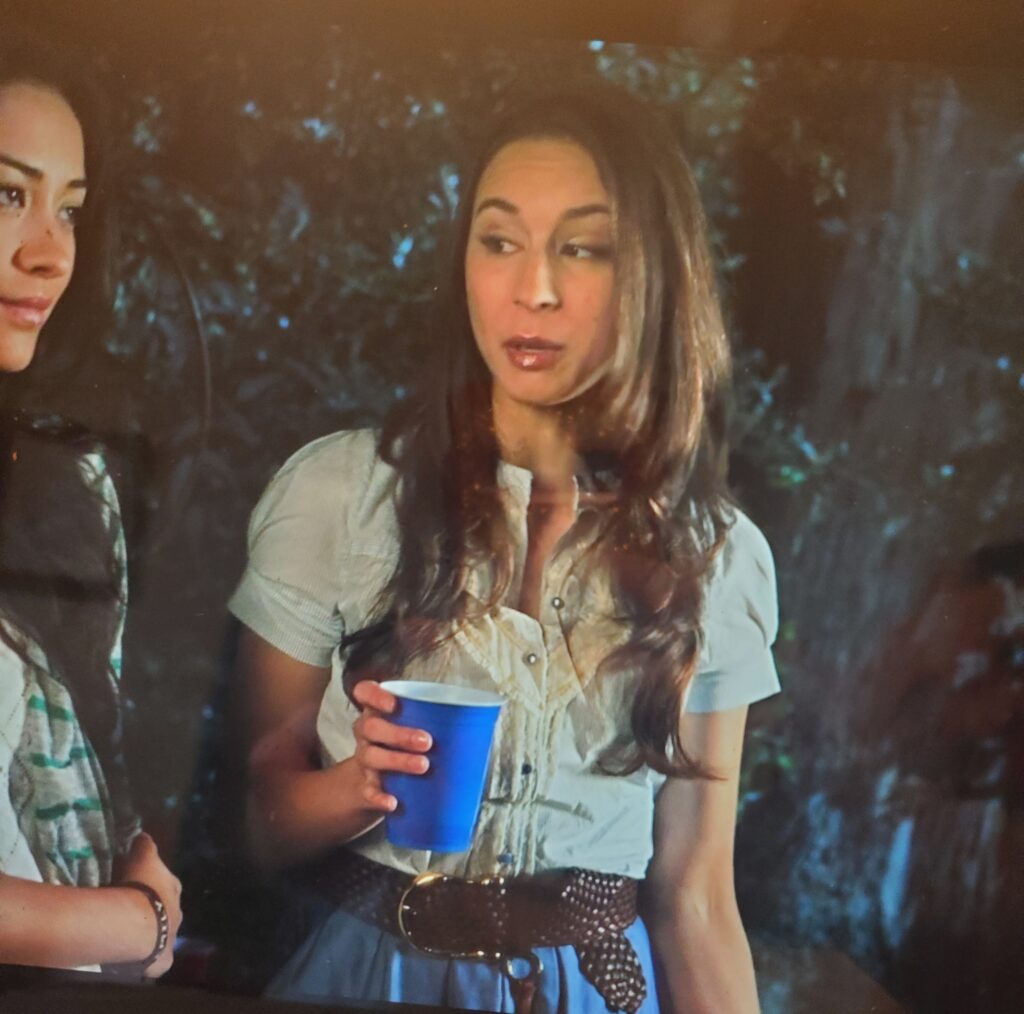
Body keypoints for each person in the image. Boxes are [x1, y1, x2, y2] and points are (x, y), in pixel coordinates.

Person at [231, 84, 778, 1013]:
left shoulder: (715, 555)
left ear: (651, 274)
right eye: (500, 241)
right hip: (364, 978)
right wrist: (360, 785)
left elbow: (695, 899)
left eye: (582, 247)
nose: (534, 289)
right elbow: (258, 827)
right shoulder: (339, 494)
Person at [0, 34, 182, 975]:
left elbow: (95, 742)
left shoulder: (64, 482)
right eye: (7, 195)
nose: (49, 253)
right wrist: (139, 922)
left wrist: (136, 871)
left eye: (68, 210)